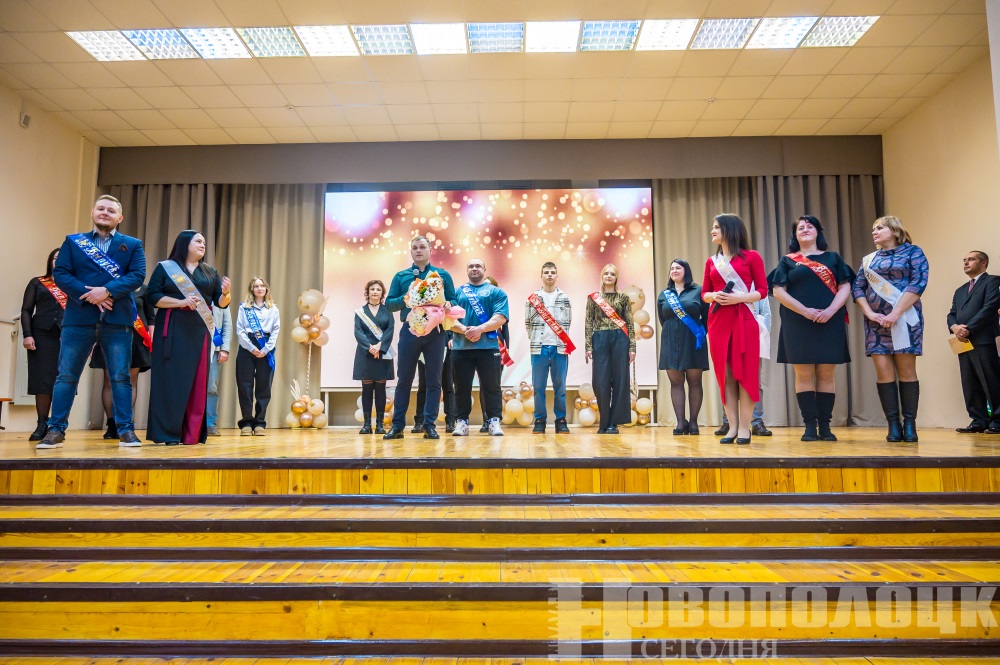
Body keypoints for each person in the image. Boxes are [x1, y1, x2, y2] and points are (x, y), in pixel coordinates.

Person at [37, 195, 147, 449]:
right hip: (79, 317)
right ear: (93, 212)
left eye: (111, 210)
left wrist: (106, 291)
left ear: (120, 217)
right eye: (101, 208)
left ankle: (125, 431)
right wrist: (89, 296)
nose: (105, 213)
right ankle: (56, 430)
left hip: (117, 319)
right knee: (66, 376)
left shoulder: (132, 245)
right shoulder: (73, 242)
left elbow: (137, 275)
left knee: (120, 377)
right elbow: (61, 273)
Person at [769, 215, 855, 442]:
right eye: (800, 227)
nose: (805, 229)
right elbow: (778, 291)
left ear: (818, 232)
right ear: (795, 235)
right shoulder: (787, 261)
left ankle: (825, 426)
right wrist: (804, 311)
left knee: (826, 373)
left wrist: (831, 311)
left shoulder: (833, 258)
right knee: (804, 374)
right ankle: (809, 426)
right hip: (797, 321)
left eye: (810, 226)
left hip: (830, 320)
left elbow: (845, 286)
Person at [146, 230, 231, 445]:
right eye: (198, 241)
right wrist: (180, 302)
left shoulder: (209, 272)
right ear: (185, 243)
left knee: (197, 382)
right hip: (172, 328)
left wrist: (226, 293)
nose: (203, 245)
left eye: (204, 242)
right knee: (170, 380)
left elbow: (220, 303)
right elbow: (152, 296)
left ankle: (190, 434)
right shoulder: (166, 267)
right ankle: (167, 433)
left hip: (199, 331)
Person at [853, 215, 929, 443]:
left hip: (905, 319)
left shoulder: (913, 252)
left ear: (894, 230)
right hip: (876, 324)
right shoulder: (869, 259)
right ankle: (893, 425)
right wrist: (870, 313)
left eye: (880, 228)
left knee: (906, 371)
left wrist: (895, 314)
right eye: (873, 228)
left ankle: (910, 424)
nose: (874, 232)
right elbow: (858, 288)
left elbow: (919, 282)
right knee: (884, 373)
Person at [701, 213, 768, 445]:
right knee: (726, 375)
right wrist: (714, 296)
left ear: (730, 229)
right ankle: (731, 427)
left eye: (716, 227)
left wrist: (739, 298)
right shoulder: (711, 261)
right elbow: (704, 293)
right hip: (718, 321)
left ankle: (744, 428)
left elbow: (762, 291)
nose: (712, 231)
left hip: (744, 318)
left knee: (746, 374)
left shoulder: (752, 257)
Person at [383, 235, 457, 440]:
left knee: (434, 380)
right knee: (404, 380)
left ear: (430, 250)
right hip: (410, 330)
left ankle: (429, 425)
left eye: (422, 247)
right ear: (410, 252)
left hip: (436, 333)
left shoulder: (441, 275)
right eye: (414, 247)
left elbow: (453, 300)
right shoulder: (401, 276)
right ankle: (398, 426)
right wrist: (407, 297)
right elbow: (389, 304)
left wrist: (449, 304)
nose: (418, 250)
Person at [449, 258, 510, 436]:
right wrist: (464, 330)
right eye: (471, 266)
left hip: (488, 348)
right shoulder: (456, 292)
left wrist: (479, 329)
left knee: (492, 387)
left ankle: (494, 422)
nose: (474, 269)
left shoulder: (496, 292)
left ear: (484, 269)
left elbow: (500, 317)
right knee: (461, 387)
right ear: (466, 270)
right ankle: (461, 422)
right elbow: (447, 318)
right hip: (461, 348)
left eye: (478, 266)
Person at [90, 284, 155, 439]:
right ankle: (112, 425)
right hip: (110, 335)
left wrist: (152, 339)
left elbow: (150, 317)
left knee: (131, 381)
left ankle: (124, 424)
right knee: (109, 380)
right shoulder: (107, 287)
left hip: (137, 338)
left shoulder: (144, 289)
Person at [947, 251, 1000, 434]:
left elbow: (990, 307)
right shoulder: (960, 290)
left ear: (983, 263)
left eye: (971, 259)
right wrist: (955, 327)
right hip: (962, 341)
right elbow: (952, 313)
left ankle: (998, 420)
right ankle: (978, 420)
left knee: (991, 380)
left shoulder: (993, 281)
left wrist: (968, 328)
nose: (966, 262)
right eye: (964, 260)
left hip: (983, 339)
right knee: (969, 382)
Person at [657, 259, 708, 435]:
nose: (674, 270)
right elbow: (663, 319)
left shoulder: (698, 291)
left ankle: (693, 423)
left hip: (694, 341)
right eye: (672, 268)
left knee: (695, 382)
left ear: (686, 270)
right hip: (670, 342)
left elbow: (707, 317)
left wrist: (700, 334)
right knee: (676, 382)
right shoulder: (664, 294)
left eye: (678, 268)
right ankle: (680, 422)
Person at [585, 264, 636, 434]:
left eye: (612, 274)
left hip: (620, 339)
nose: (609, 276)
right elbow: (588, 322)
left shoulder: (623, 297)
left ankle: (614, 423)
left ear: (616, 278)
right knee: (600, 381)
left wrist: (632, 346)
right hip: (599, 338)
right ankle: (604, 421)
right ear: (602, 276)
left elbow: (629, 322)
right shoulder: (594, 298)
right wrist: (588, 346)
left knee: (620, 380)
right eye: (606, 273)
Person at [21, 249, 64, 441]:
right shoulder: (37, 282)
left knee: (63, 382)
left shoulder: (75, 284)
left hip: (66, 337)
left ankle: (58, 426)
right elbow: (26, 310)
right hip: (41, 336)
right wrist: (27, 335)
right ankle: (41, 424)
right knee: (42, 382)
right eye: (55, 258)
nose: (58, 261)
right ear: (50, 261)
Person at [525, 263, 574, 434]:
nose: (550, 275)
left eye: (553, 272)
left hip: (560, 348)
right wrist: (536, 339)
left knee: (560, 388)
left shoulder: (564, 297)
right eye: (546, 272)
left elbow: (568, 321)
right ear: (541, 276)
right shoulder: (533, 299)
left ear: (557, 276)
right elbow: (528, 323)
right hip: (539, 349)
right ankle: (540, 420)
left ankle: (561, 420)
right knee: (538, 388)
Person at [715, 297, 772, 437]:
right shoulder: (724, 287)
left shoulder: (755, 288)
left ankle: (757, 422)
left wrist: (762, 337)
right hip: (728, 337)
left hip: (752, 336)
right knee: (728, 380)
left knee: (752, 382)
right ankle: (729, 422)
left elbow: (766, 314)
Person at [235, 277, 279, 436]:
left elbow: (275, 331)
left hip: (266, 347)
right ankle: (247, 422)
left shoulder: (273, 309)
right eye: (256, 286)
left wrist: (266, 349)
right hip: (247, 347)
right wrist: (252, 348)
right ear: (252, 290)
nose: (260, 288)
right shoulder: (244, 308)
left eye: (262, 286)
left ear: (266, 289)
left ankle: (260, 422)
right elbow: (240, 330)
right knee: (245, 386)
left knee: (264, 387)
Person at [354, 279, 395, 435]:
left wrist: (379, 347)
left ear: (382, 293)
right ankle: (366, 425)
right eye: (372, 289)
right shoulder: (360, 312)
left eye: (378, 289)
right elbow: (358, 332)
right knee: (366, 389)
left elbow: (390, 330)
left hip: (382, 353)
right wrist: (370, 348)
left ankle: (379, 425)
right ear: (368, 292)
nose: (375, 292)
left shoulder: (388, 310)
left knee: (380, 389)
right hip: (365, 354)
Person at [413, 344, 456, 433]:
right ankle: (419, 421)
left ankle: (450, 421)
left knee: (448, 385)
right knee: (423, 386)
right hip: (425, 348)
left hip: (446, 347)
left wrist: (452, 338)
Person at [206, 302, 232, 436]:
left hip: (215, 349)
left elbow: (227, 326)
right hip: (194, 348)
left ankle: (210, 424)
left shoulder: (221, 302)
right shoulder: (193, 295)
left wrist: (225, 349)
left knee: (211, 387)